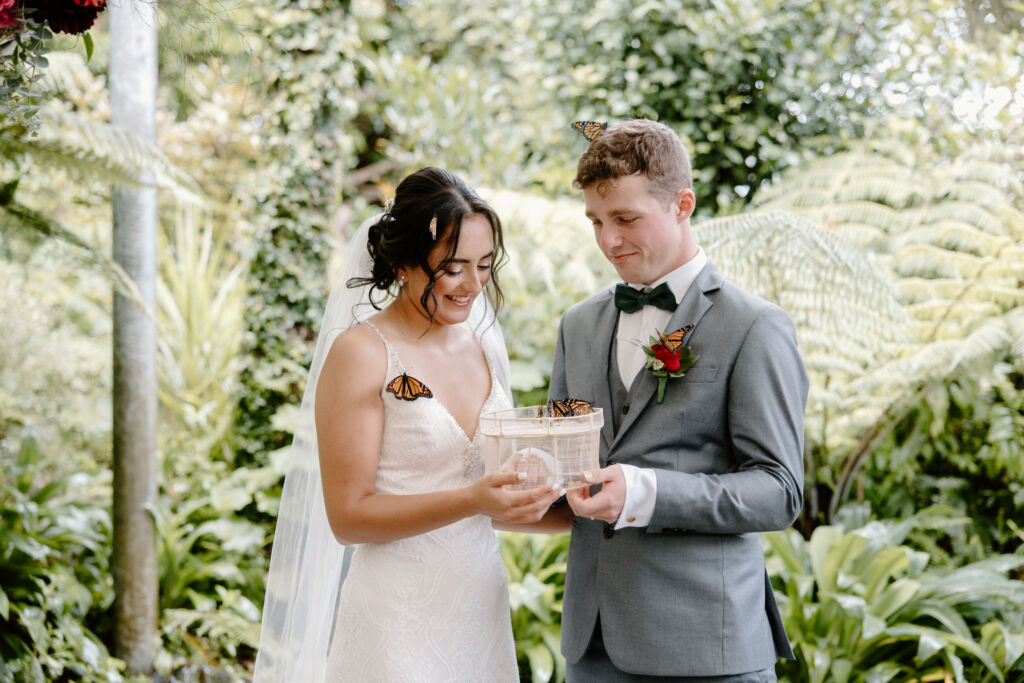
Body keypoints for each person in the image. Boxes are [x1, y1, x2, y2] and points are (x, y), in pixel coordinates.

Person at [253, 167, 564, 682]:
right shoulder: (362, 352)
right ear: (401, 263)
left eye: (485, 265)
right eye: (453, 268)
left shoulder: (485, 342)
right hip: (395, 620)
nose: (473, 285)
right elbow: (349, 518)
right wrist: (474, 500)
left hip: (480, 609)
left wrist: (575, 506)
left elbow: (493, 501)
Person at [548, 119, 809, 682]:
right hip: (592, 648)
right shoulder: (577, 325)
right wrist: (528, 483)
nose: (608, 241)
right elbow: (566, 462)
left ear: (682, 204)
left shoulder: (754, 326)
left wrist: (646, 492)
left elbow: (778, 491)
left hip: (708, 648)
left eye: (625, 219)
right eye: (596, 221)